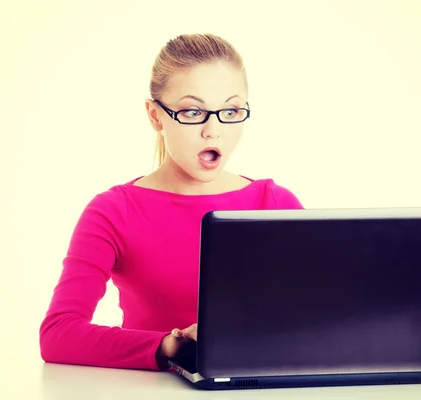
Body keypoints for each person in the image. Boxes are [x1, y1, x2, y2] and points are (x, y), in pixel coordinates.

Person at [39, 33, 304, 371]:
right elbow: (58, 334)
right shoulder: (113, 211)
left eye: (231, 110)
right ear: (154, 115)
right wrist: (168, 345)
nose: (213, 131)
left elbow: (324, 318)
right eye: (193, 111)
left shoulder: (275, 203)